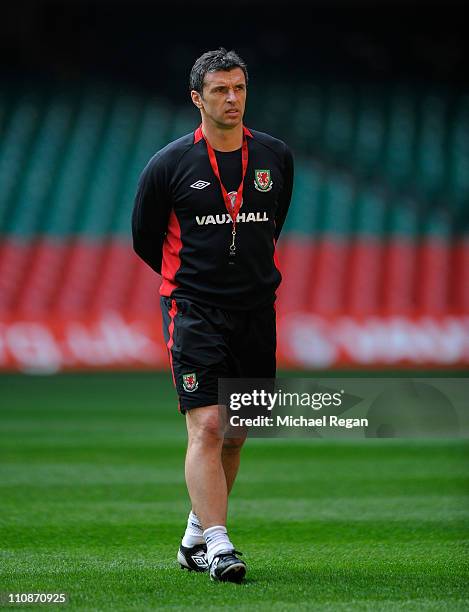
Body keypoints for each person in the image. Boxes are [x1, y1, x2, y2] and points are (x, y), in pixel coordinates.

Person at [132, 48, 294, 583]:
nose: (232, 99)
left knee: (238, 432)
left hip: (255, 309)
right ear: (196, 98)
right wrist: (196, 279)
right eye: (220, 90)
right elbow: (144, 238)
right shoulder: (169, 164)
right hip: (194, 310)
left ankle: (194, 536)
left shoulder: (275, 157)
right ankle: (220, 547)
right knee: (207, 424)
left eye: (239, 88)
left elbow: (272, 225)